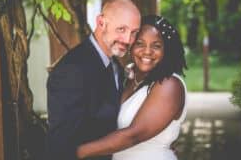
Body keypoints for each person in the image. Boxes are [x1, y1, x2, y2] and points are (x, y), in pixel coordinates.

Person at [76, 15, 188, 160]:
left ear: (167, 50)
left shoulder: (169, 85)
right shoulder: (127, 77)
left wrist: (76, 152)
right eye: (140, 43)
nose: (147, 51)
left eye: (156, 46)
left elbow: (133, 135)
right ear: (131, 46)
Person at [45, 0, 141, 160]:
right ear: (101, 22)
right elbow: (62, 145)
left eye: (134, 32)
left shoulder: (115, 65)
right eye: (121, 29)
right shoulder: (72, 70)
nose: (128, 40)